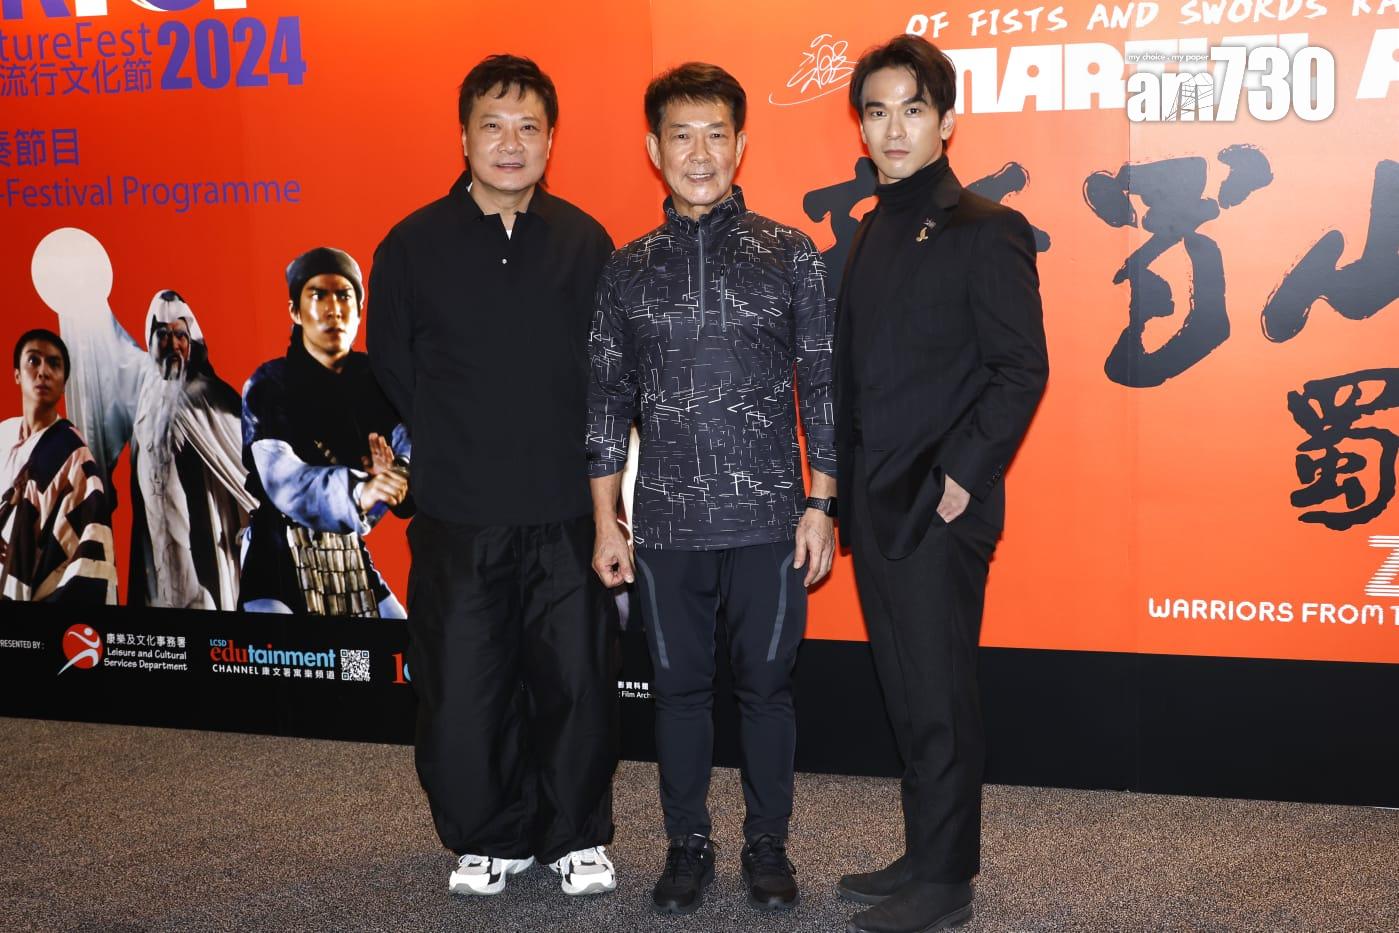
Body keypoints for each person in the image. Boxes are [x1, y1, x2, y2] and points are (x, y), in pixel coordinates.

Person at [367, 54, 620, 899]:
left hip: (565, 509)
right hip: (459, 511)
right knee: (465, 685)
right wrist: (456, 443)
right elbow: (394, 366)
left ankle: (575, 833)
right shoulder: (412, 244)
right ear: (464, 137)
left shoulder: (585, 242)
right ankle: (489, 834)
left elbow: (608, 373)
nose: (510, 144)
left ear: (550, 141)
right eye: (492, 126)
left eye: (528, 128)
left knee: (574, 679)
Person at [587, 62, 836, 917]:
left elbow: (822, 383)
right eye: (681, 136)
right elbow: (604, 401)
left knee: (766, 690)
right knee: (679, 694)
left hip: (770, 519)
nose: (699, 154)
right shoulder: (626, 269)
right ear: (653, 148)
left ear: (741, 143)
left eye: (716, 135)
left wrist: (821, 503)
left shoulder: (789, 252)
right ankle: (686, 845)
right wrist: (606, 521)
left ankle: (768, 843)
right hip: (664, 525)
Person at [832, 35, 1049, 933]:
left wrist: (962, 474)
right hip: (873, 500)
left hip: (936, 504)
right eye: (876, 111)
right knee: (906, 690)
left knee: (940, 696)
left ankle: (947, 879)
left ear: (947, 122)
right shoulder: (872, 226)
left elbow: (1020, 368)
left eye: (912, 110)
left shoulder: (984, 227)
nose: (893, 128)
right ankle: (925, 851)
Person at [239, 247, 410, 618]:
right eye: (318, 295)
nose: (334, 309)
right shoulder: (269, 384)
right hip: (278, 557)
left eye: (344, 296)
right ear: (295, 311)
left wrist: (399, 473)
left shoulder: (377, 380)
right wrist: (362, 490)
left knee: (404, 643)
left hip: (349, 560)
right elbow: (285, 481)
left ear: (360, 308)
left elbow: (412, 444)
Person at [1, 329, 117, 604]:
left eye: (54, 364)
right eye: (33, 361)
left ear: (64, 382)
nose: (43, 372)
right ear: (17, 374)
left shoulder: (74, 453)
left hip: (28, 603)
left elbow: (88, 549)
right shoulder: (3, 434)